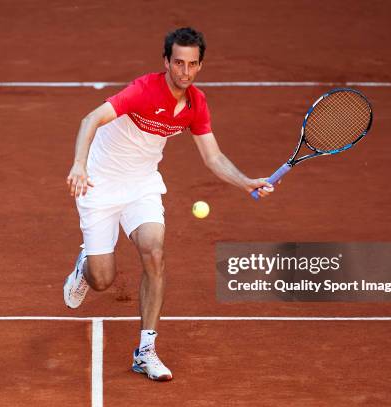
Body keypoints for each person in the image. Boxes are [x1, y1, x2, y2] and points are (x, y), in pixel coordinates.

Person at [63, 27, 275, 381]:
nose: (184, 71)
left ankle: (145, 351)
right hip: (100, 182)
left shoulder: (196, 104)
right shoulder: (143, 90)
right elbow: (90, 120)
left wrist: (246, 181)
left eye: (192, 64)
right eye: (178, 62)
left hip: (142, 184)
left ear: (200, 66)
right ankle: (86, 263)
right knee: (102, 280)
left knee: (154, 251)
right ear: (166, 62)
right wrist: (79, 165)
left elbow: (213, 156)